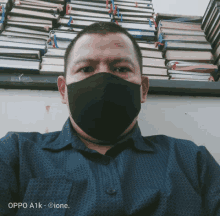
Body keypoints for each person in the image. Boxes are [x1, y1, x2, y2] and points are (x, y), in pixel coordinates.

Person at [0, 21, 220, 216]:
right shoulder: (15, 155)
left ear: (143, 89)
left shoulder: (192, 161)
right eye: (86, 68)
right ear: (63, 90)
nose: (103, 79)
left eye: (121, 68)